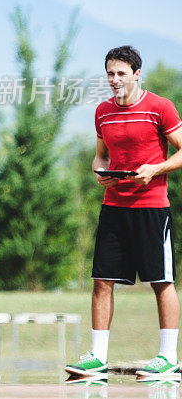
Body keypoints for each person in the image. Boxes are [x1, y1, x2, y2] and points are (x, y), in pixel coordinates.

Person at [66, 46, 182, 379]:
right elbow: (101, 155)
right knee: (101, 281)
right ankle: (97, 358)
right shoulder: (102, 112)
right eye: (110, 74)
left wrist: (155, 170)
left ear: (136, 74)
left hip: (151, 208)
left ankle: (168, 358)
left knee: (161, 281)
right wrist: (99, 170)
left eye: (120, 73)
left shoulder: (160, 108)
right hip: (114, 207)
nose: (114, 80)